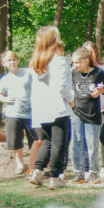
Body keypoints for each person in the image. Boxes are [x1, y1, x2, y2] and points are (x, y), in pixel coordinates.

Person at [28, 26, 74, 190]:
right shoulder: (60, 60)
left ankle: (38, 172)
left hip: (42, 108)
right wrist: (71, 100)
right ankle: (55, 177)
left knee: (47, 141)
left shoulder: (36, 61)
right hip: (57, 107)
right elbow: (62, 87)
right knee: (58, 144)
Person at [0, 51, 42, 175]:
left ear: (18, 61)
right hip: (13, 114)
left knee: (36, 140)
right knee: (15, 141)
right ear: (4, 63)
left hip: (32, 113)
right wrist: (5, 99)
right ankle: (20, 164)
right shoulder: (5, 79)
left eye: (14, 59)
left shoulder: (28, 73)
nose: (12, 62)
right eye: (9, 60)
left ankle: (35, 165)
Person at [69, 47, 104, 184]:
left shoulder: (98, 72)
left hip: (92, 113)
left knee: (92, 145)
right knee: (77, 143)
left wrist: (99, 91)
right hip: (77, 113)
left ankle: (93, 173)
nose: (75, 65)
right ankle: (78, 173)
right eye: (73, 62)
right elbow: (67, 87)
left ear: (86, 61)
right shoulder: (73, 73)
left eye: (77, 62)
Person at [82, 42, 104, 179]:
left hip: (100, 107)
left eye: (91, 51)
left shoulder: (103, 68)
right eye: (86, 51)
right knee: (86, 138)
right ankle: (87, 167)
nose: (89, 54)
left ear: (96, 52)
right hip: (84, 109)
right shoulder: (79, 69)